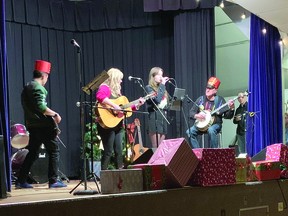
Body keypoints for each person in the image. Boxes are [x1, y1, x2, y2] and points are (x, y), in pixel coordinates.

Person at [16, 60, 67, 189]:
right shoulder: (38, 88)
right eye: (47, 77)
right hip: (43, 126)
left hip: (33, 125)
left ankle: (21, 180)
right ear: (44, 76)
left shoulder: (27, 87)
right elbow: (41, 106)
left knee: (33, 152)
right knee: (54, 151)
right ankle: (53, 180)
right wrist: (55, 114)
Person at [95, 68, 145, 170]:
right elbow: (100, 97)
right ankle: (103, 175)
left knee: (119, 150)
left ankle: (120, 174)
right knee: (108, 151)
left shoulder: (117, 92)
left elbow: (124, 108)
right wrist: (114, 105)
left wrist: (137, 105)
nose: (121, 81)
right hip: (107, 124)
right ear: (114, 78)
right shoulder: (105, 87)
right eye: (120, 79)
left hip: (118, 125)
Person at [186, 77, 235, 149]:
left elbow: (228, 116)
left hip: (215, 124)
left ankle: (213, 153)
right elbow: (191, 113)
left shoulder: (220, 100)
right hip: (201, 125)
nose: (207, 90)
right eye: (207, 88)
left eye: (210, 88)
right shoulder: (201, 99)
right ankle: (198, 152)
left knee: (211, 130)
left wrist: (232, 108)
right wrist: (197, 115)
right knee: (189, 132)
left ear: (215, 90)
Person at [145, 67, 170, 148]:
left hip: (163, 118)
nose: (161, 77)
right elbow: (157, 100)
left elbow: (170, 104)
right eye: (159, 75)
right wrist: (162, 85)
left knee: (162, 147)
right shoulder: (149, 88)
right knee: (156, 147)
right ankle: (155, 161)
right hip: (154, 118)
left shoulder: (163, 89)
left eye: (161, 75)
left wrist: (178, 98)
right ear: (153, 76)